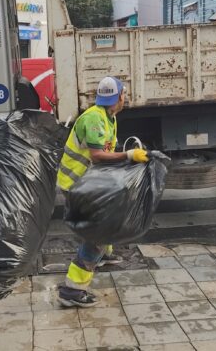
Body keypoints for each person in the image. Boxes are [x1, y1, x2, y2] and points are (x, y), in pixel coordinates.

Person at [56, 76, 150, 307]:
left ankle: (105, 255)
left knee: (107, 220)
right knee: (98, 234)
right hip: (78, 184)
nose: (124, 97)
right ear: (118, 96)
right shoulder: (94, 120)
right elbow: (97, 155)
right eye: (123, 94)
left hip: (87, 182)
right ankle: (72, 290)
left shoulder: (108, 117)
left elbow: (107, 150)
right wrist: (129, 156)